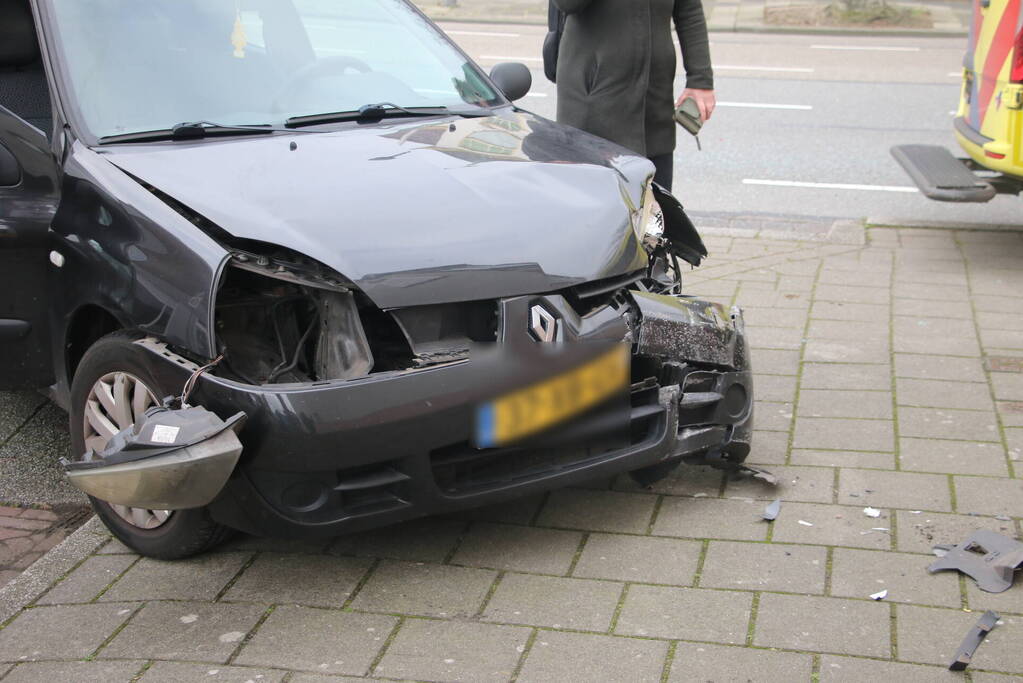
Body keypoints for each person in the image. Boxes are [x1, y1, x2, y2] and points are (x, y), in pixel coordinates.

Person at [551, 0, 715, 191]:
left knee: (655, 212)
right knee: (595, 210)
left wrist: (700, 80)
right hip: (593, 101)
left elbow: (689, 10)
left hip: (654, 105)